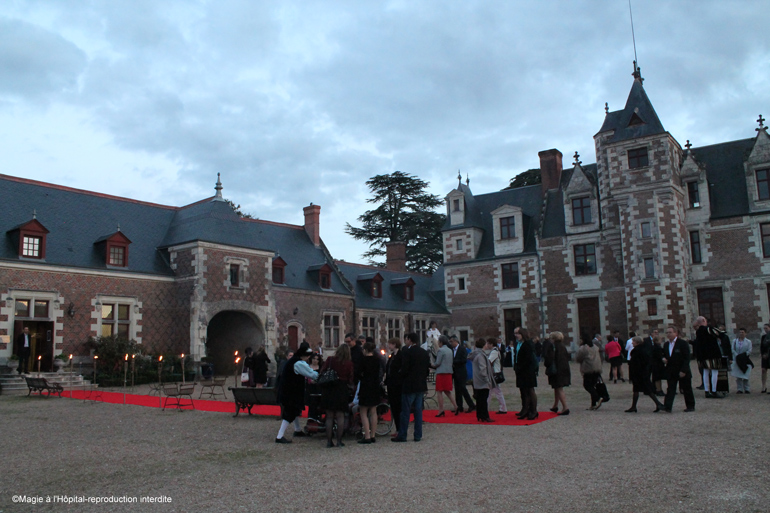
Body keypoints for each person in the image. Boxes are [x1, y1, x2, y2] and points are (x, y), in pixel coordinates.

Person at [275, 346, 318, 444]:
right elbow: (311, 374)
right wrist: (321, 375)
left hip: (288, 391)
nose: (308, 358)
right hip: (290, 392)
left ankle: (297, 430)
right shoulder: (298, 363)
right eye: (308, 356)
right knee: (290, 413)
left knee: (295, 410)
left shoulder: (293, 361)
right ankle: (279, 436)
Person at [392, 333, 430, 442]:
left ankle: (402, 435)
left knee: (405, 411)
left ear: (409, 340)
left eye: (406, 339)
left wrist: (399, 376)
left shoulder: (407, 352)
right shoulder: (423, 352)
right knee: (418, 411)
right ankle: (418, 435)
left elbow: (404, 369)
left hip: (409, 385)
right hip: (421, 384)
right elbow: (427, 370)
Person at [319, 344, 354, 448]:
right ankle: (339, 441)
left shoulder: (330, 359)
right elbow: (350, 379)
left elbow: (322, 371)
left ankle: (329, 441)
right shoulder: (349, 363)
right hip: (341, 389)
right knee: (340, 416)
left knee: (329, 416)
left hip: (329, 388)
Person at [625, 336, 665, 413]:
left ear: (637, 342)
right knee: (640, 390)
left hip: (638, 374)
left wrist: (632, 375)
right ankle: (634, 406)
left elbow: (634, 365)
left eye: (633, 341)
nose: (632, 343)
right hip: (642, 373)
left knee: (646, 390)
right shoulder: (644, 350)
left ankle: (658, 404)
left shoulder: (636, 351)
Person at [662, 325, 695, 413]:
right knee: (670, 389)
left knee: (686, 388)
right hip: (671, 370)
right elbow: (664, 355)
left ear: (675, 333)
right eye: (667, 332)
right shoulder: (666, 344)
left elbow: (686, 358)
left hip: (682, 369)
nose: (668, 334)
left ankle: (690, 405)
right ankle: (667, 406)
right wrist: (664, 359)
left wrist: (684, 370)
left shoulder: (682, 343)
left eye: (670, 332)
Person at [357, 341, 382, 444]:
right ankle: (373, 435)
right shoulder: (377, 360)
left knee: (363, 412)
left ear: (365, 350)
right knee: (373, 411)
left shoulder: (363, 360)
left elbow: (358, 373)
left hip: (365, 386)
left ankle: (367, 435)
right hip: (375, 386)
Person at [692, 316, 724, 398]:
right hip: (712, 354)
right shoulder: (708, 329)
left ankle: (707, 391)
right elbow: (720, 333)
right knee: (714, 372)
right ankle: (714, 390)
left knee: (705, 372)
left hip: (703, 355)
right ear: (703, 321)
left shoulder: (698, 331)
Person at [513, 327, 538, 420]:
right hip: (521, 371)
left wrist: (519, 367)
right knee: (524, 391)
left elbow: (527, 359)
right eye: (515, 333)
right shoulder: (520, 344)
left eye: (518, 333)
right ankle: (526, 410)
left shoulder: (528, 344)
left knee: (530, 391)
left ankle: (533, 411)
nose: (516, 335)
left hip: (527, 371)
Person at [470, 339, 497, 422]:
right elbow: (483, 369)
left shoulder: (475, 354)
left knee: (480, 399)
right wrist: (487, 380)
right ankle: (485, 416)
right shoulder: (480, 355)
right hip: (482, 380)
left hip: (477, 380)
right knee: (483, 399)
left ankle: (480, 415)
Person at [544, 331, 570, 415]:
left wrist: (546, 364)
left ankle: (565, 407)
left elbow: (549, 359)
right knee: (557, 387)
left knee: (559, 388)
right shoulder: (563, 346)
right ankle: (555, 405)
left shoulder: (553, 347)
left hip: (556, 370)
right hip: (563, 369)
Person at [575, 334, 603, 410]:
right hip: (596, 368)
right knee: (593, 385)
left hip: (588, 368)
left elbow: (578, 358)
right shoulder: (595, 347)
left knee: (587, 386)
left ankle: (597, 398)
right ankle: (593, 404)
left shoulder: (583, 348)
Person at [431, 335, 457, 417]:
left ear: (441, 342)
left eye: (439, 342)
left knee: (439, 392)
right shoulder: (450, 350)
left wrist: (431, 365)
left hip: (441, 373)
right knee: (447, 391)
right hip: (449, 372)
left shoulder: (440, 350)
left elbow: (437, 363)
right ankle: (456, 406)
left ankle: (441, 409)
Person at [450, 335, 475, 414]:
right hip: (455, 372)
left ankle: (471, 404)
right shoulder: (451, 349)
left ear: (455, 341)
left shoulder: (462, 349)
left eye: (451, 341)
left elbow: (464, 360)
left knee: (463, 389)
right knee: (457, 390)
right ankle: (459, 406)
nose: (450, 343)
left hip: (461, 372)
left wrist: (454, 362)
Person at [384, 338, 404, 435]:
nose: (388, 346)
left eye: (390, 344)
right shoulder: (392, 356)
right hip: (391, 385)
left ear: (394, 344)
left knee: (398, 407)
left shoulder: (400, 356)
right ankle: (398, 428)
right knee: (394, 407)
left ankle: (400, 429)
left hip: (397, 385)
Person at [485, 338, 507, 414]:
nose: (487, 345)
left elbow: (489, 361)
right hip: (495, 373)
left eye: (488, 343)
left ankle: (502, 408)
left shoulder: (494, 352)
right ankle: (502, 408)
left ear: (491, 344)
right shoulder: (495, 351)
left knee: (493, 392)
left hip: (494, 374)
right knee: (495, 391)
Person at [732, 328, 753, 394]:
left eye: (742, 332)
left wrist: (743, 356)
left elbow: (749, 350)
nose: (741, 333)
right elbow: (732, 349)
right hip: (737, 358)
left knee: (746, 374)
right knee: (738, 375)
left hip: (745, 359)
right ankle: (739, 388)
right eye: (740, 332)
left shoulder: (748, 341)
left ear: (745, 333)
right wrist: (737, 355)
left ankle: (747, 388)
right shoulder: (735, 341)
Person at [760, 324, 770, 393]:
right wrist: (762, 354)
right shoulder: (763, 337)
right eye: (764, 328)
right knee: (763, 370)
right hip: (764, 355)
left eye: (766, 328)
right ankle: (764, 386)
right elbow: (761, 346)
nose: (765, 330)